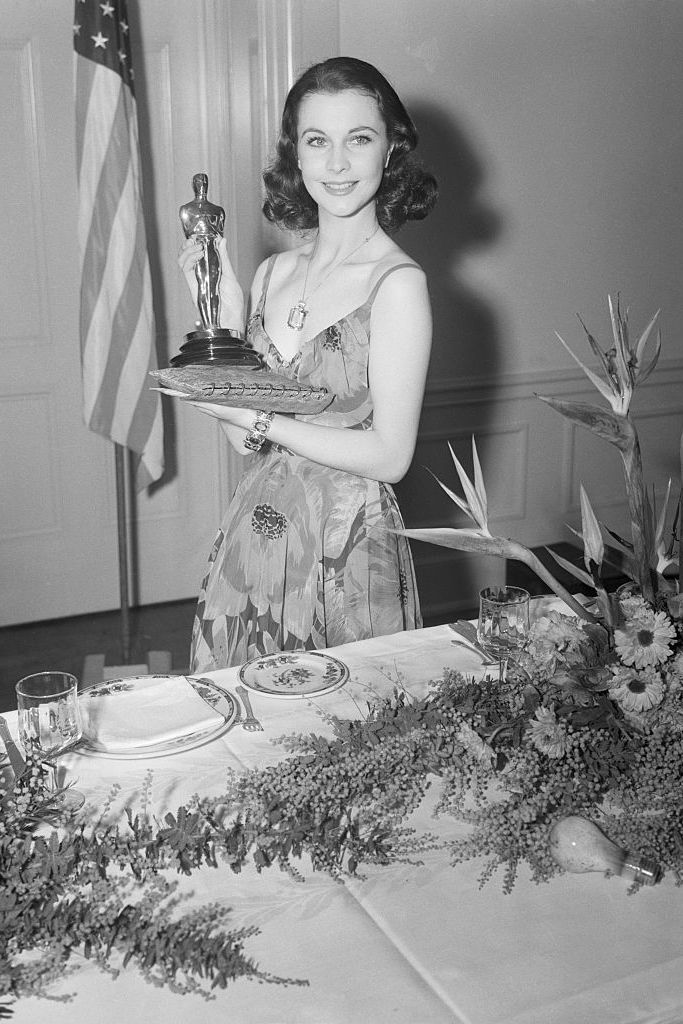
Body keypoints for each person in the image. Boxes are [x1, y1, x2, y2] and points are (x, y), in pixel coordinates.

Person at [178, 56, 438, 671]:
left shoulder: (397, 284)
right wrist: (222, 321)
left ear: (390, 152)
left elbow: (390, 456)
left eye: (360, 139)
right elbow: (244, 443)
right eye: (318, 141)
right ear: (296, 155)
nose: (338, 163)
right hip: (257, 538)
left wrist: (262, 421)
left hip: (348, 547)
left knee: (342, 738)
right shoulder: (273, 274)